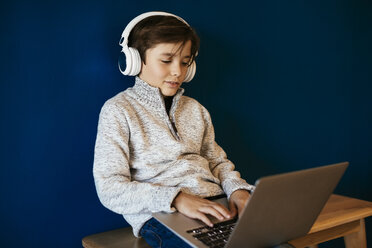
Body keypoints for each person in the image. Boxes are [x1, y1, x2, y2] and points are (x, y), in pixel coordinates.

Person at [93, 11, 255, 248]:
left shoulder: (196, 110)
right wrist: (175, 198)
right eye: (166, 60)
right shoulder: (118, 110)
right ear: (135, 60)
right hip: (161, 214)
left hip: (218, 205)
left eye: (185, 62)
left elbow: (217, 162)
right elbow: (109, 188)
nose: (178, 71)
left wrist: (238, 190)